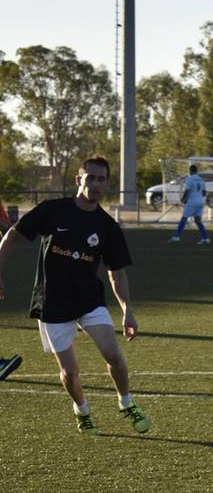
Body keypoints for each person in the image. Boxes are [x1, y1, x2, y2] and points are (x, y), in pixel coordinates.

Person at [0, 157, 150, 435]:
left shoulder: (107, 227)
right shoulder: (52, 211)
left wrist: (127, 310)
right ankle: (82, 410)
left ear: (107, 184)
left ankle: (126, 402)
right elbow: (12, 236)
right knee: (71, 372)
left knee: (113, 355)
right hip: (51, 302)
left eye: (101, 179)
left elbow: (116, 273)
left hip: (88, 300)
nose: (95, 184)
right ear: (78, 180)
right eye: (89, 177)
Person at [168, 164, 210, 244]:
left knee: (184, 218)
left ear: (190, 171)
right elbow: (204, 193)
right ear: (196, 171)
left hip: (192, 202)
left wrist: (183, 199)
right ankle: (205, 238)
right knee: (197, 220)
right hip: (200, 202)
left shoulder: (190, 179)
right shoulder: (201, 179)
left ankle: (176, 236)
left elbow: (187, 191)